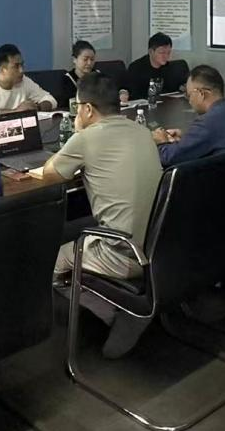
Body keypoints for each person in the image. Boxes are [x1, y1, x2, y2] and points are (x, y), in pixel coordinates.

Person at [42, 72, 163, 358]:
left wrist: (77, 134)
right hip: (159, 246)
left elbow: (49, 175)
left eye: (77, 107)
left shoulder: (87, 138)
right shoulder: (141, 131)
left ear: (86, 109)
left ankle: (120, 313)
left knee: (48, 263)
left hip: (121, 253)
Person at [154, 65, 225, 222]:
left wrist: (161, 142)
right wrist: (187, 136)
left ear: (202, 93)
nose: (189, 100)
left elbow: (169, 158)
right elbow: (220, 136)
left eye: (188, 95)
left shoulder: (208, 122)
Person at [0, 44, 56, 115]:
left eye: (22, 65)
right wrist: (15, 112)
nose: (21, 70)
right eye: (16, 66)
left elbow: (51, 100)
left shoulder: (25, 82)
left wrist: (37, 107)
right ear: (2, 69)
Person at [123, 32, 189, 101]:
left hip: (166, 104)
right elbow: (132, 94)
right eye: (162, 53)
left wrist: (184, 87)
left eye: (168, 52)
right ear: (151, 52)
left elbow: (180, 85)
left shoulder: (171, 68)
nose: (166, 56)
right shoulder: (136, 68)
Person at [61, 40, 99, 109]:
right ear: (74, 59)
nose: (89, 63)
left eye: (92, 59)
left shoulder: (98, 76)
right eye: (85, 59)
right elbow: (66, 102)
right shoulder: (67, 79)